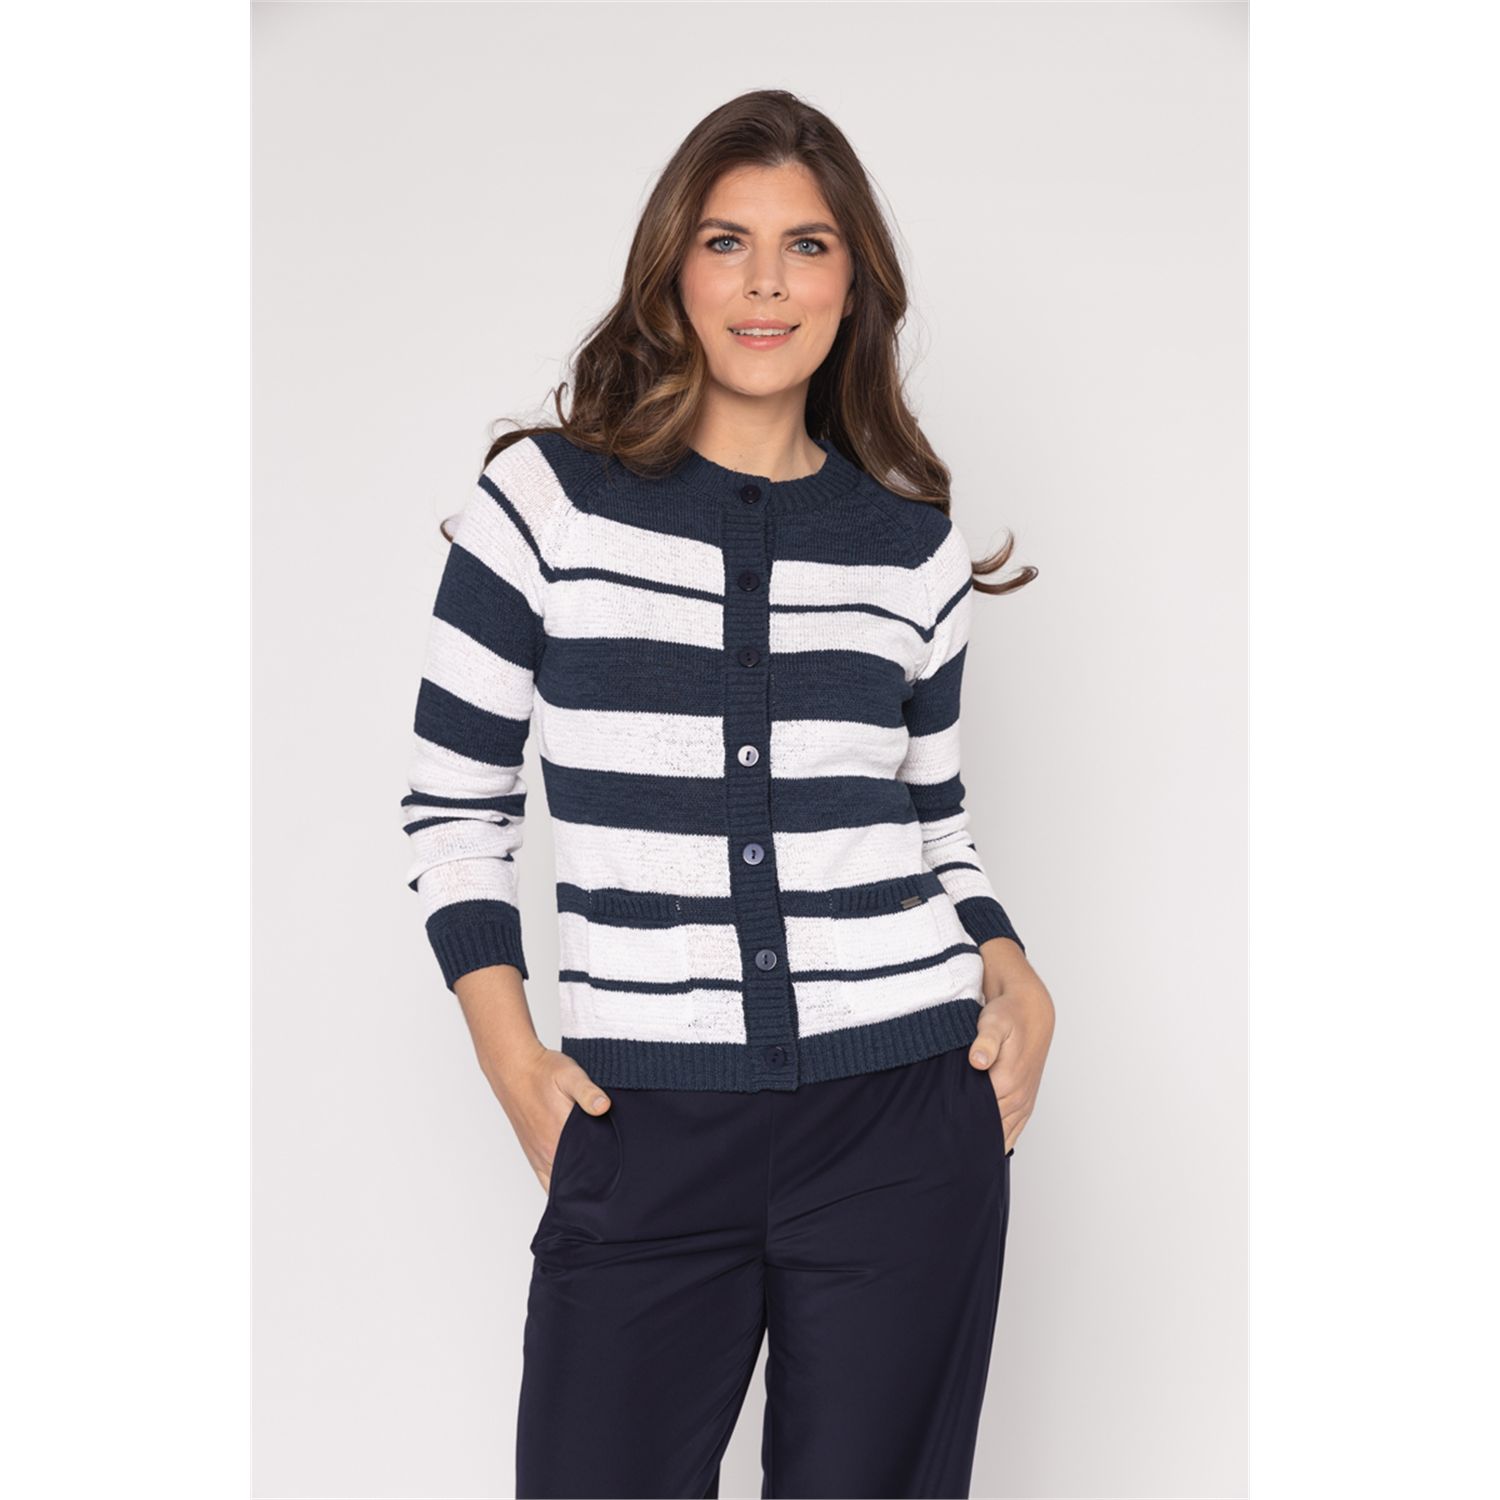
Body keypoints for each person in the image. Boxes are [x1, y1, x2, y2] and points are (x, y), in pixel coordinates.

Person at [399, 88, 1056, 1500]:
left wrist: (1013, 968)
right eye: (726, 241)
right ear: (673, 271)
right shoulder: (544, 505)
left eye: (806, 245)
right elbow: (455, 810)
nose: (766, 282)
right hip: (642, 1121)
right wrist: (511, 1058)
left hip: (902, 1115)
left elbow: (936, 821)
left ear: (854, 285)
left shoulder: (910, 550)